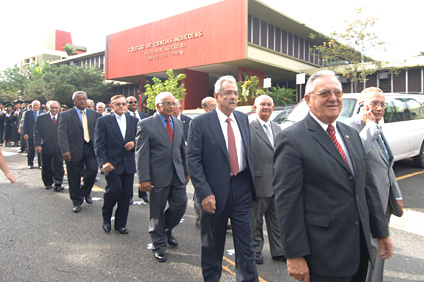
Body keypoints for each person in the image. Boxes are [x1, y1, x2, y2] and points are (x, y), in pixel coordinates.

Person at [273, 70, 392, 282]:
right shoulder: (291, 139)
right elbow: (287, 202)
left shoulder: (351, 133)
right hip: (322, 254)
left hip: (358, 249)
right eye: (325, 93)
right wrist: (294, 254)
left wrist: (381, 231)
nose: (333, 98)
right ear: (308, 100)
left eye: (337, 92)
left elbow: (366, 186)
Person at [187, 75, 258, 282]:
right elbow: (193, 160)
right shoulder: (200, 123)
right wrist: (204, 193)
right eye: (228, 93)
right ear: (216, 96)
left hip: (242, 187)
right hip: (214, 192)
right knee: (212, 244)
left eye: (235, 93)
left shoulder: (243, 118)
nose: (233, 97)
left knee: (246, 244)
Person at [345, 87, 404, 282]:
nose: (379, 108)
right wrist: (369, 126)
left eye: (382, 104)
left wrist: (397, 196)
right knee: (370, 251)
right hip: (367, 203)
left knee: (380, 250)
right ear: (362, 105)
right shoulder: (351, 127)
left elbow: (387, 164)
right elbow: (356, 156)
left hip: (383, 202)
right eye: (374, 104)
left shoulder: (376, 126)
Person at [135, 92, 189, 263]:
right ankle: (159, 245)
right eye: (167, 104)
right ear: (158, 106)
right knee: (156, 211)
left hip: (177, 174)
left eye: (173, 103)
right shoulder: (146, 124)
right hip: (157, 176)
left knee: (180, 205)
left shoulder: (179, 123)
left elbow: (182, 149)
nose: (172, 107)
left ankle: (164, 230)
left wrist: (186, 171)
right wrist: (144, 179)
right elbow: (142, 154)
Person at [248, 95, 285, 264]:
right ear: (255, 106)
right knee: (255, 219)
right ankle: (256, 250)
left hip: (278, 182)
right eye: (262, 104)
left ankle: (278, 250)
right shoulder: (249, 127)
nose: (266, 107)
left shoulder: (278, 128)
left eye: (269, 104)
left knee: (276, 219)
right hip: (258, 182)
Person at [95, 95, 138, 234]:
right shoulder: (103, 121)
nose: (121, 106)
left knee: (126, 196)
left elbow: (140, 139)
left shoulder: (134, 120)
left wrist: (134, 144)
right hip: (112, 164)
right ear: (112, 105)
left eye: (124, 104)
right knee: (114, 191)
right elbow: (99, 144)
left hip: (128, 164)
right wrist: (103, 162)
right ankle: (106, 218)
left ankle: (120, 224)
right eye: (118, 104)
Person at [58, 91, 101, 213]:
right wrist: (65, 150)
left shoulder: (95, 115)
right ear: (74, 101)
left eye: (84, 99)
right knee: (74, 176)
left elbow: (99, 132)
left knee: (92, 171)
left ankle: (85, 191)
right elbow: (62, 133)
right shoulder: (66, 115)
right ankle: (76, 201)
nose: (82, 101)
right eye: (79, 99)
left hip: (90, 148)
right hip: (74, 150)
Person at [192, 97, 217, 228]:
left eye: (215, 105)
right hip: (202, 169)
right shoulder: (198, 123)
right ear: (204, 108)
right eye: (212, 106)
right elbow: (193, 155)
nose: (214, 108)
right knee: (201, 194)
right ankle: (199, 217)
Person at [34, 101, 64, 191]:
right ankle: (48, 182)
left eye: (56, 108)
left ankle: (58, 182)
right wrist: (38, 144)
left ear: (59, 108)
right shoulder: (41, 118)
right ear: (48, 108)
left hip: (59, 145)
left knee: (58, 164)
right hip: (46, 145)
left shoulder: (63, 117)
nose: (54, 110)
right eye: (52, 107)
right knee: (46, 164)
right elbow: (37, 132)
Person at [126, 96, 149, 204]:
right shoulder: (124, 116)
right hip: (129, 149)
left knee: (144, 171)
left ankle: (143, 193)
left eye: (135, 102)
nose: (133, 104)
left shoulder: (144, 115)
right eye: (130, 102)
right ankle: (129, 196)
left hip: (144, 147)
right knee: (130, 175)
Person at [22, 100, 45, 169]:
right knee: (30, 149)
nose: (35, 106)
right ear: (31, 106)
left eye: (37, 105)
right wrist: (25, 133)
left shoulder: (43, 113)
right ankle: (30, 163)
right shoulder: (28, 113)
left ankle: (40, 164)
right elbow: (25, 124)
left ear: (39, 106)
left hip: (40, 134)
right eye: (34, 105)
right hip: (30, 133)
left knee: (40, 149)